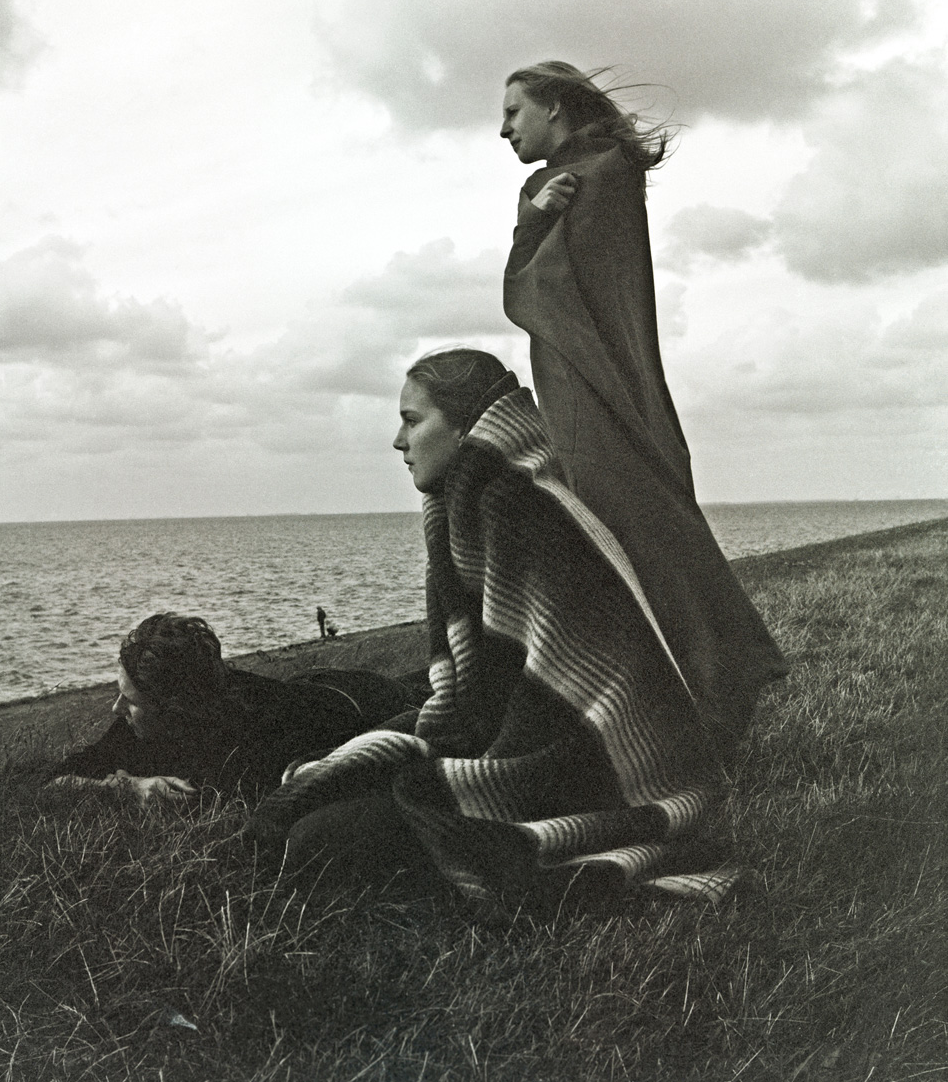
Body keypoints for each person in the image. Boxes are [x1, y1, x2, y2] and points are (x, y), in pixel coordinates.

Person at [245, 347, 741, 920]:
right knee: (331, 781)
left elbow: (542, 705)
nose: (399, 442)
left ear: (465, 427)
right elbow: (481, 691)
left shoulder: (518, 506)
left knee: (318, 840)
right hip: (525, 738)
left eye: (412, 420)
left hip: (581, 766)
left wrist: (453, 773)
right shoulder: (473, 505)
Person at [499, 61, 785, 748]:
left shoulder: (595, 175)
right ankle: (694, 696)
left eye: (513, 112)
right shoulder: (580, 176)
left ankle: (709, 694)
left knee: (631, 528)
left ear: (554, 108)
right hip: (590, 379)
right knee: (631, 528)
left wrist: (532, 223)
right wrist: (533, 218)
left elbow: (533, 295)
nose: (503, 129)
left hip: (589, 381)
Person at [50, 612, 420, 805]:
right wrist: (128, 788)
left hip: (360, 698)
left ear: (175, 710)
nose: (116, 708)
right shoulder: (142, 723)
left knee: (426, 687)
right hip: (311, 683)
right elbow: (56, 781)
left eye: (130, 701)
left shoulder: (245, 743)